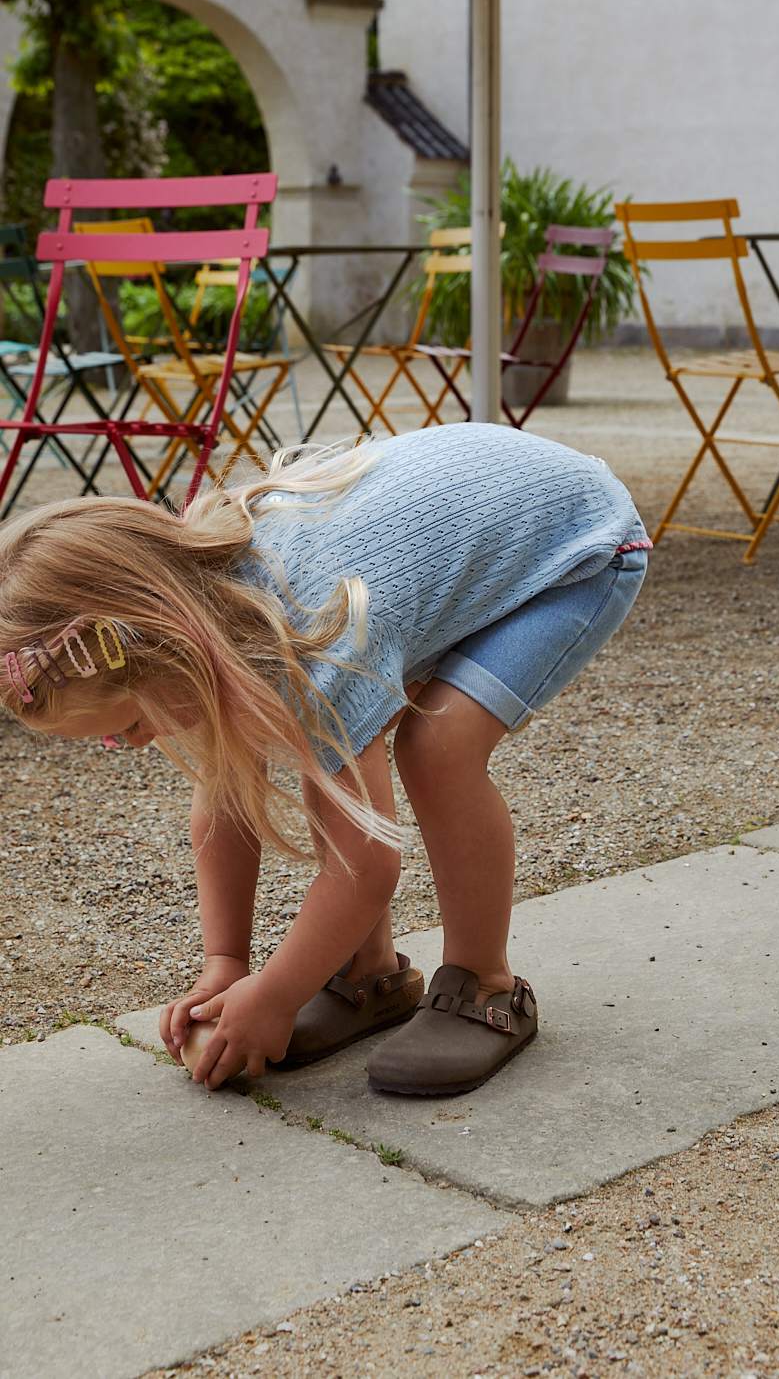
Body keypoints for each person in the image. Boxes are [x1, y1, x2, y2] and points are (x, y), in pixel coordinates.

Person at [0, 424, 649, 1095]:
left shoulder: (307, 634)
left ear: (162, 643)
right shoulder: (199, 623)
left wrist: (276, 995)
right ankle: (367, 971)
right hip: (454, 546)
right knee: (328, 759)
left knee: (436, 751)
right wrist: (226, 963)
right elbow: (224, 799)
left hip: (573, 545)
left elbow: (366, 865)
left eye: (130, 725)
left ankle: (483, 985)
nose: (134, 744)